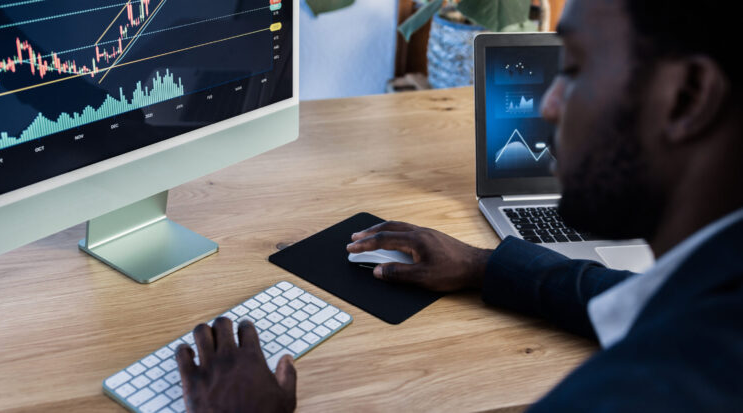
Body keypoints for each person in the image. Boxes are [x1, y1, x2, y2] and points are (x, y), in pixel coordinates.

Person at [174, 0, 743, 410]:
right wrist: (484, 265)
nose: (547, 104)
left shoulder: (646, 392)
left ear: (688, 97)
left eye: (573, 68)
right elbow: (635, 301)